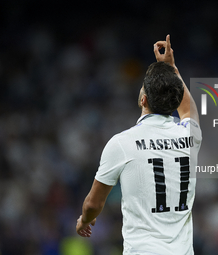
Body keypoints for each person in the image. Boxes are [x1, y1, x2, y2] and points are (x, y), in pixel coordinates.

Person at [76, 35, 202, 255]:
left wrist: (85, 220)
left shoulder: (122, 143)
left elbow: (93, 204)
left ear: (144, 100)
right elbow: (188, 110)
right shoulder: (191, 136)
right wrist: (171, 69)